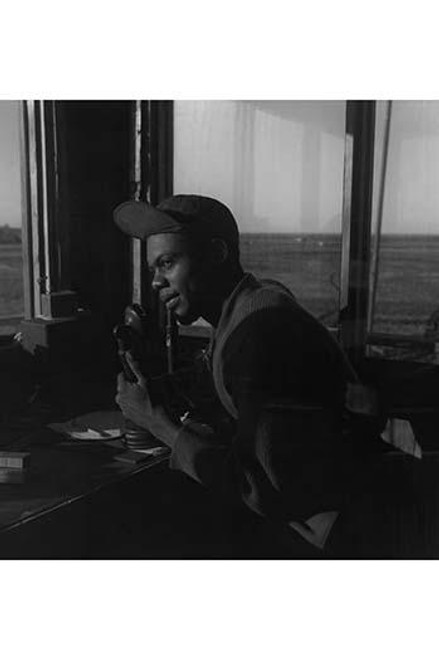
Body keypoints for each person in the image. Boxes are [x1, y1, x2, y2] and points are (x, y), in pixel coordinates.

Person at [113, 194, 392, 558]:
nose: (155, 282)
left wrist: (158, 423)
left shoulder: (259, 332)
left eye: (167, 263)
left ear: (217, 253)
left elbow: (260, 489)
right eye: (153, 268)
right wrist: (163, 389)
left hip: (341, 536)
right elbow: (229, 380)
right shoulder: (254, 300)